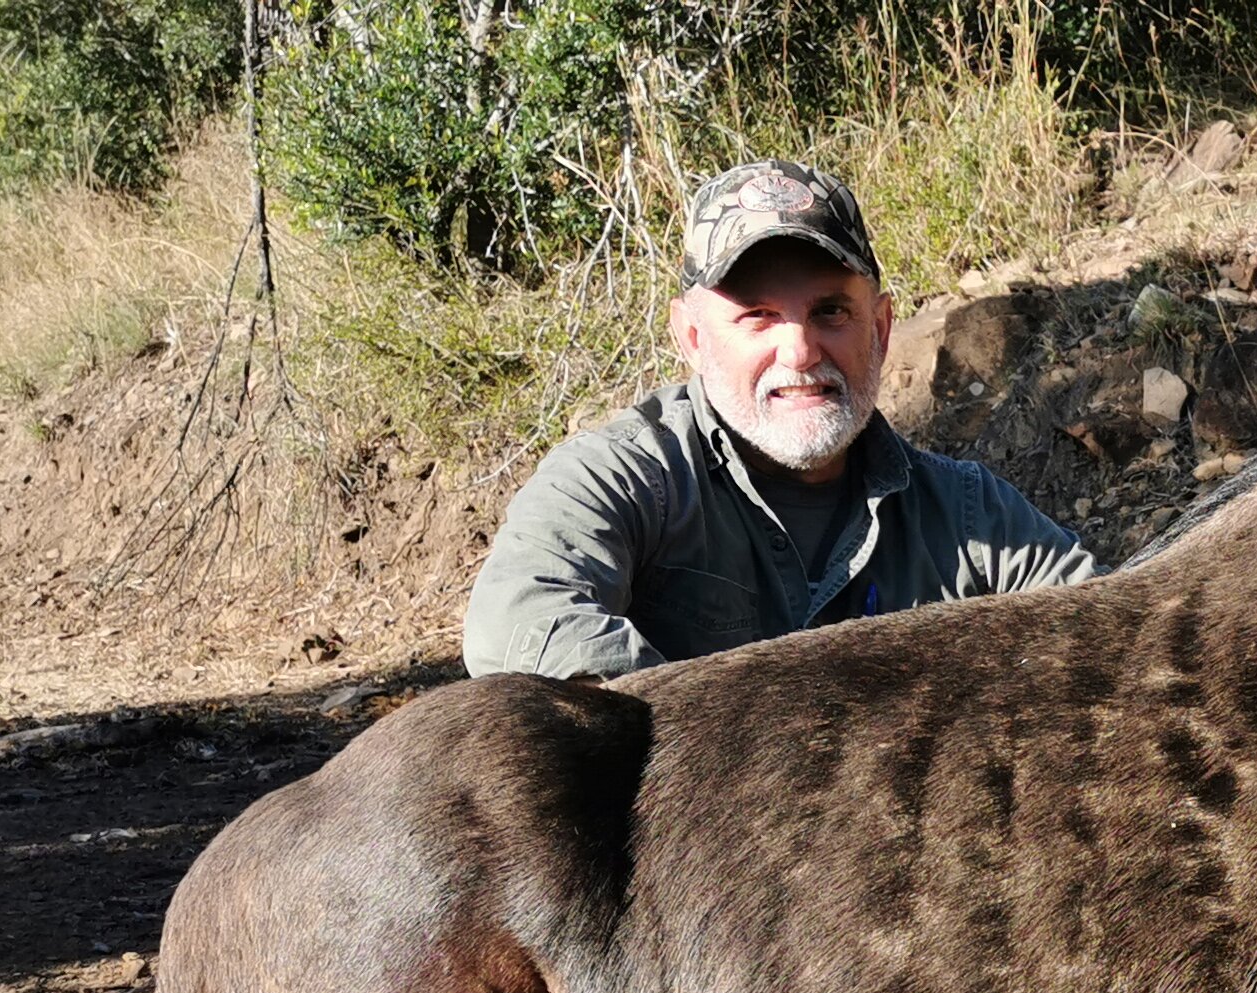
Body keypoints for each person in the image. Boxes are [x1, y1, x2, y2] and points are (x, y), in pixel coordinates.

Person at [464, 160, 1095, 680]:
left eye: (830, 312)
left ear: (879, 327)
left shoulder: (966, 515)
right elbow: (515, 626)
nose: (799, 352)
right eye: (758, 316)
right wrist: (739, 755)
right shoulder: (621, 479)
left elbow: (1104, 639)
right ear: (690, 337)